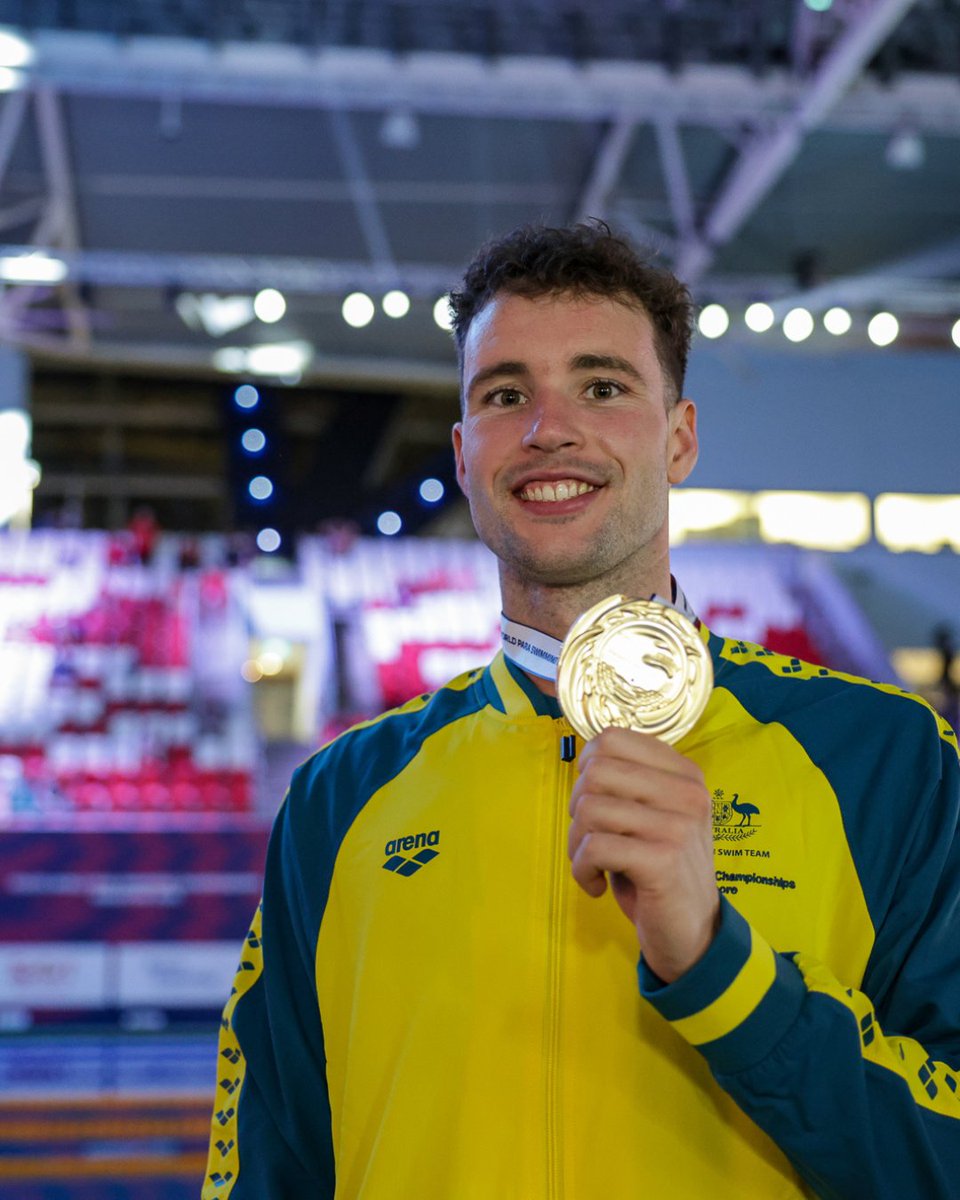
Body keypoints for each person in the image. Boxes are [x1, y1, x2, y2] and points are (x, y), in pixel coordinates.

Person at [203, 223, 960, 1199]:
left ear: (679, 437)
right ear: (465, 453)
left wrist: (724, 973)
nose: (547, 427)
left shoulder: (886, 760)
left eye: (602, 387)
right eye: (505, 394)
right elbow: (268, 1165)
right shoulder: (340, 799)